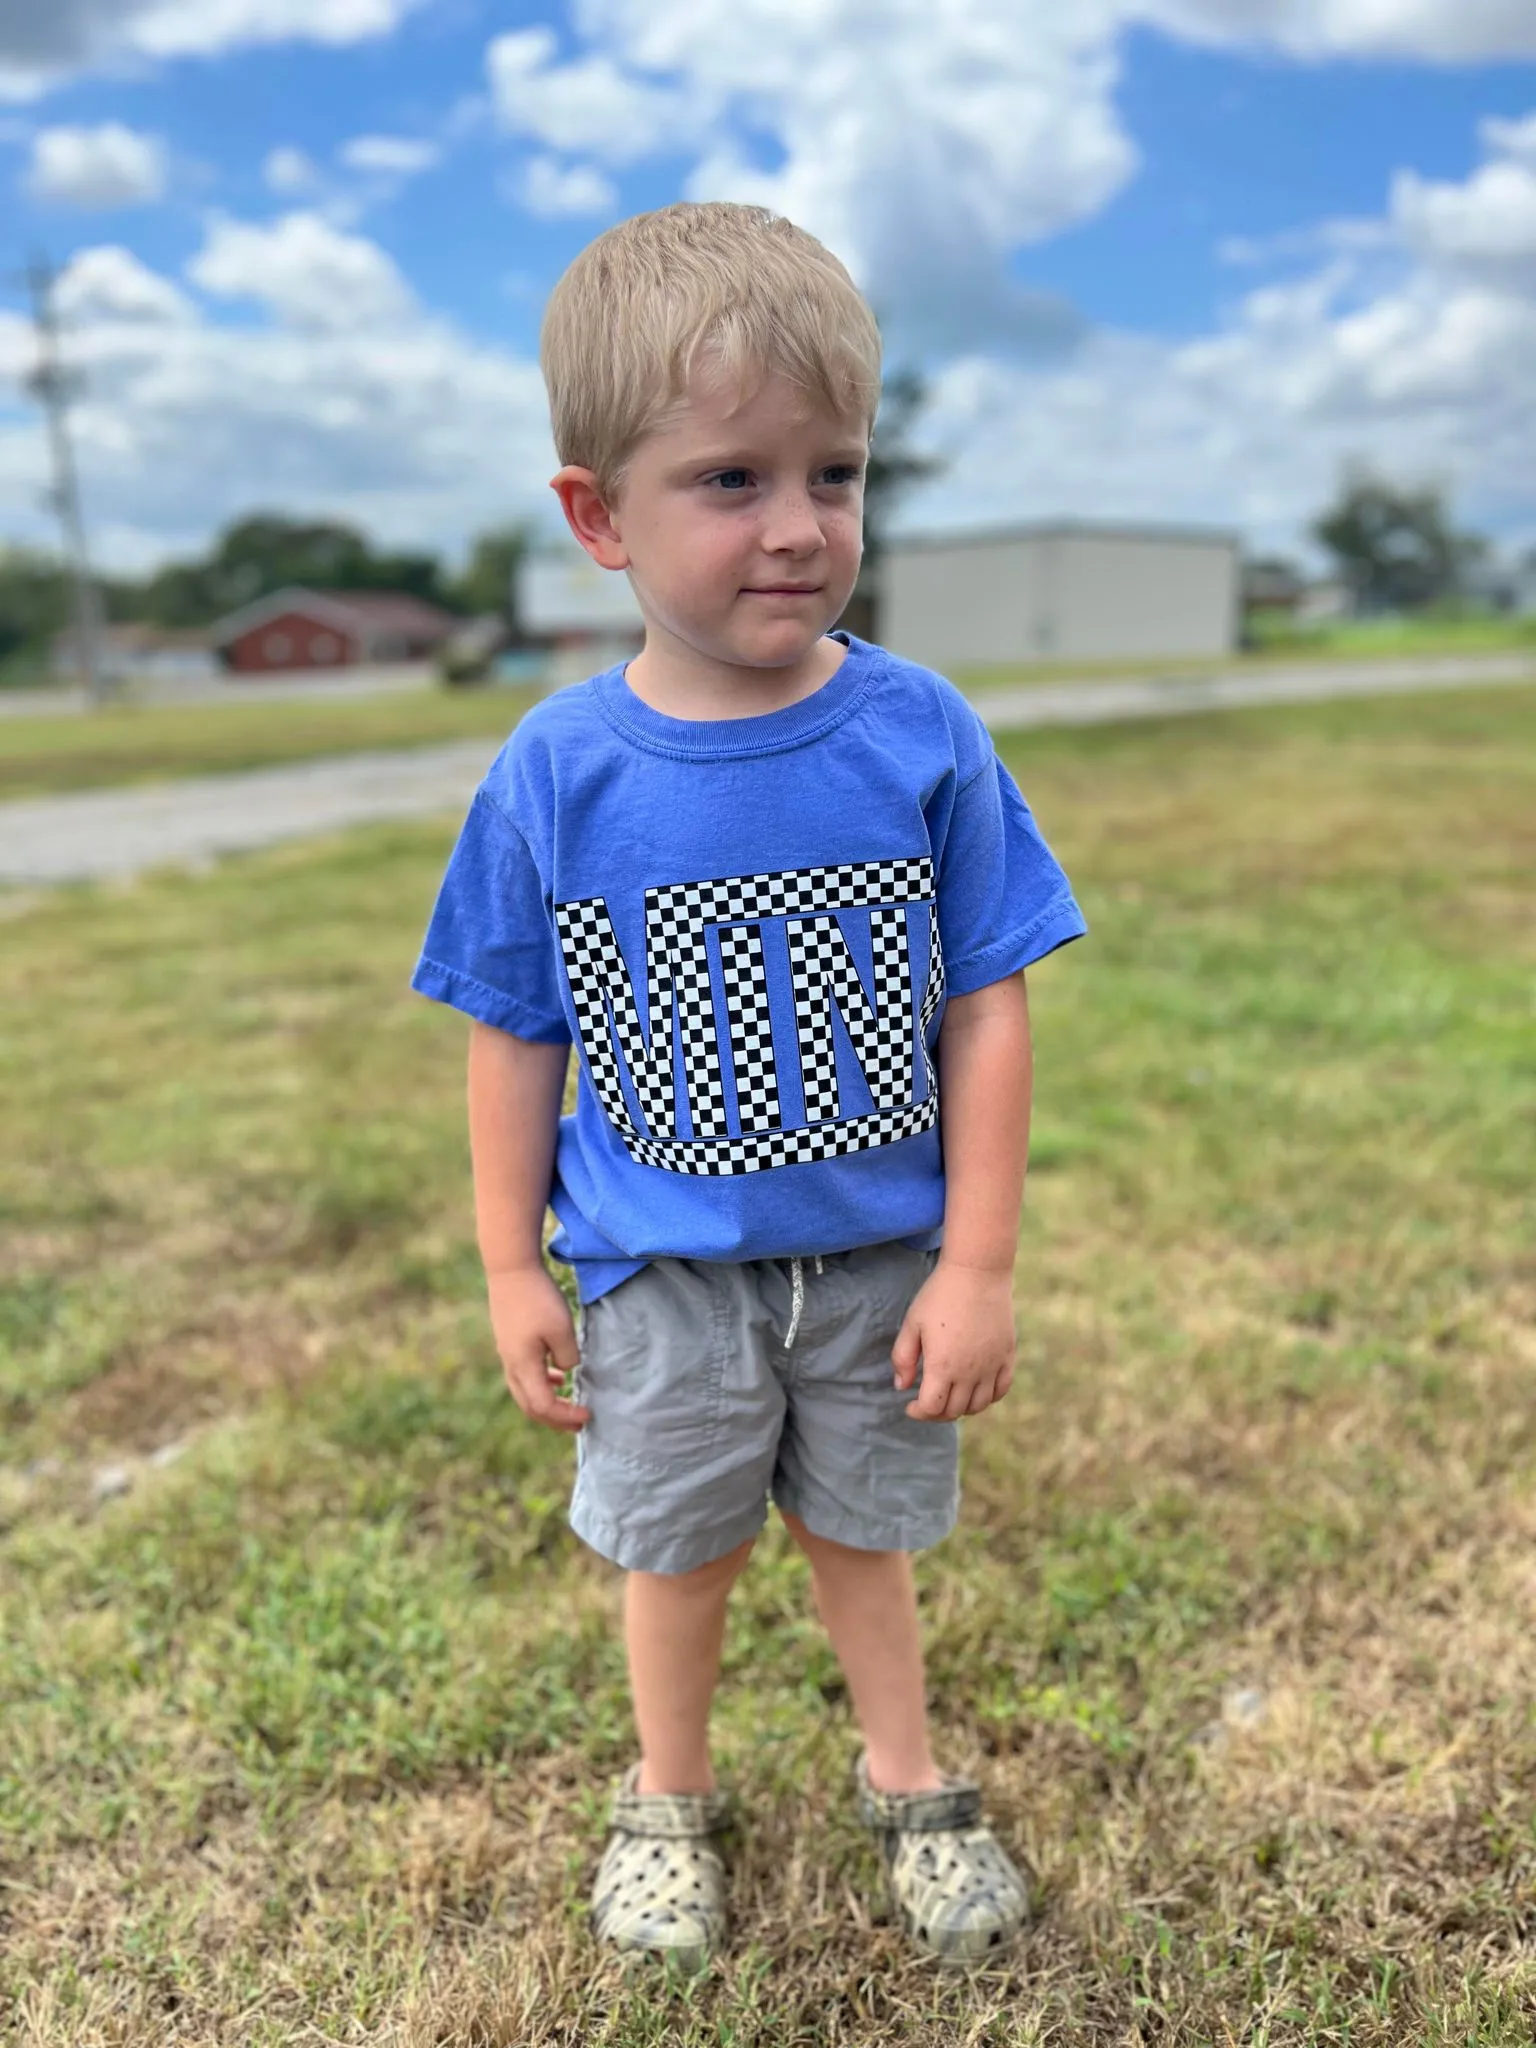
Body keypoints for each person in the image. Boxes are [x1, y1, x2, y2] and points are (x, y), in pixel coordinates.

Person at [412, 201, 1086, 1968]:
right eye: (730, 480)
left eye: (837, 474)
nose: (799, 528)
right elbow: (513, 1025)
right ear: (596, 515)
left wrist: (980, 1261)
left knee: (867, 1544)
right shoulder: (557, 770)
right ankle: (667, 1799)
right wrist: (506, 1263)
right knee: (680, 1556)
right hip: (663, 1283)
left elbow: (990, 1005)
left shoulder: (921, 732)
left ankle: (911, 1782)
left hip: (876, 1272)